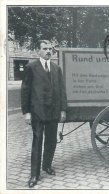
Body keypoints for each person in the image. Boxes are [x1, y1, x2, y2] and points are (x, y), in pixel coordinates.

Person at [21, 40, 67, 188]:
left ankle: (47, 165)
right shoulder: (31, 67)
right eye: (45, 49)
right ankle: (34, 174)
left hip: (53, 111)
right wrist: (26, 112)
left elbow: (62, 91)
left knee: (51, 141)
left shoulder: (56, 68)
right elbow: (25, 91)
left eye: (50, 49)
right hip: (37, 112)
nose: (48, 51)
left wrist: (62, 110)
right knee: (37, 141)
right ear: (38, 51)